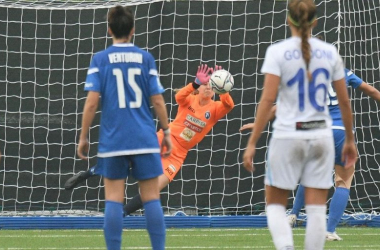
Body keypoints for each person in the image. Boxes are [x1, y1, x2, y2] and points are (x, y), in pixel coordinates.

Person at [242, 0, 357, 249]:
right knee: (316, 209)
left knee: (274, 206)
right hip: (321, 135)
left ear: (287, 20)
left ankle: (286, 246)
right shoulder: (330, 53)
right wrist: (349, 139)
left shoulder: (278, 51)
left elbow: (268, 100)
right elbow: (345, 104)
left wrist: (253, 141)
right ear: (315, 22)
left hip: (288, 135)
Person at [67, 64, 235, 216]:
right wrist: (195, 83)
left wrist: (223, 88)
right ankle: (87, 174)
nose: (208, 87)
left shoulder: (214, 109)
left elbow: (229, 105)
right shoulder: (191, 98)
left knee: (152, 190)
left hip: (178, 154)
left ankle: (120, 215)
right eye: (206, 84)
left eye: (211, 86)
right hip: (164, 140)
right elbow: (179, 97)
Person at [240, 68, 380, 241]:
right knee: (343, 181)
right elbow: (371, 91)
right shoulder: (343, 72)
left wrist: (257, 124)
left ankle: (293, 214)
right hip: (341, 131)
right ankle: (329, 231)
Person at [77, 6, 172, 250]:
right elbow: (158, 100)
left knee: (113, 200)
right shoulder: (145, 58)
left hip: (113, 140)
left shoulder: (100, 59)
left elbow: (91, 103)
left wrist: (84, 136)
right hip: (143, 137)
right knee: (151, 197)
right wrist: (167, 131)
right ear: (133, 30)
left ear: (109, 30)